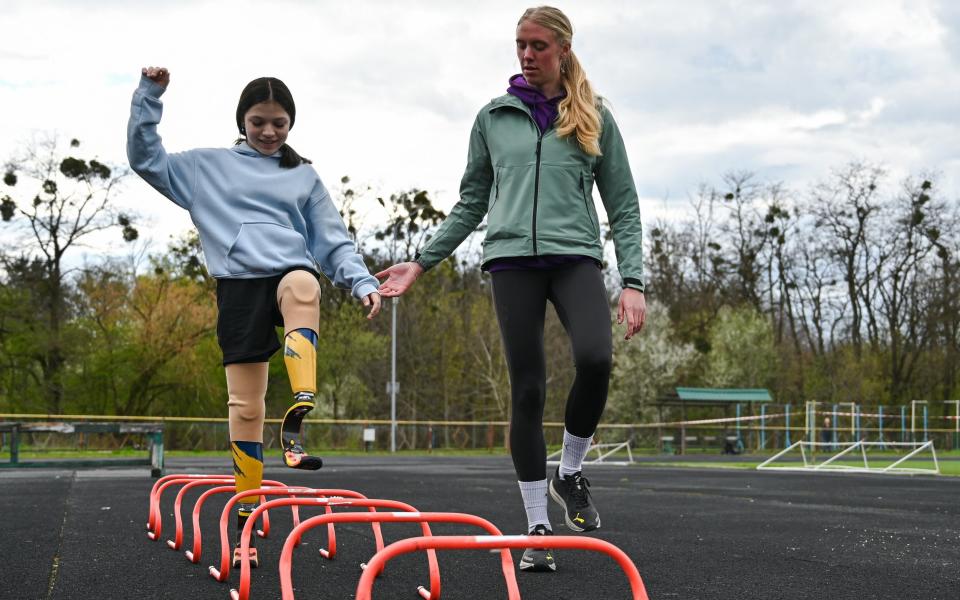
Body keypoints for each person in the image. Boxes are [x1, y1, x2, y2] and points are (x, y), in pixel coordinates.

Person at [376, 6, 645, 573]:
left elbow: (623, 203)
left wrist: (633, 281)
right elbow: (472, 201)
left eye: (539, 45)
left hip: (575, 258)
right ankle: (536, 529)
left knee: (596, 359)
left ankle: (569, 472)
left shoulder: (596, 116)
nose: (527, 54)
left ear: (563, 50)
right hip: (511, 264)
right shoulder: (493, 118)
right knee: (527, 389)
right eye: (520, 44)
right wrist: (421, 264)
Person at [127, 67, 381, 568]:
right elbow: (145, 158)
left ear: (291, 124)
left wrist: (362, 280)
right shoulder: (206, 168)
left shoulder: (303, 175)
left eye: (280, 123)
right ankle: (246, 504)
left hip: (288, 272)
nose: (269, 132)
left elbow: (330, 239)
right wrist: (149, 96)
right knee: (245, 406)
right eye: (259, 121)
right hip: (238, 285)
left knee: (304, 283)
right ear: (243, 121)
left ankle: (302, 401)